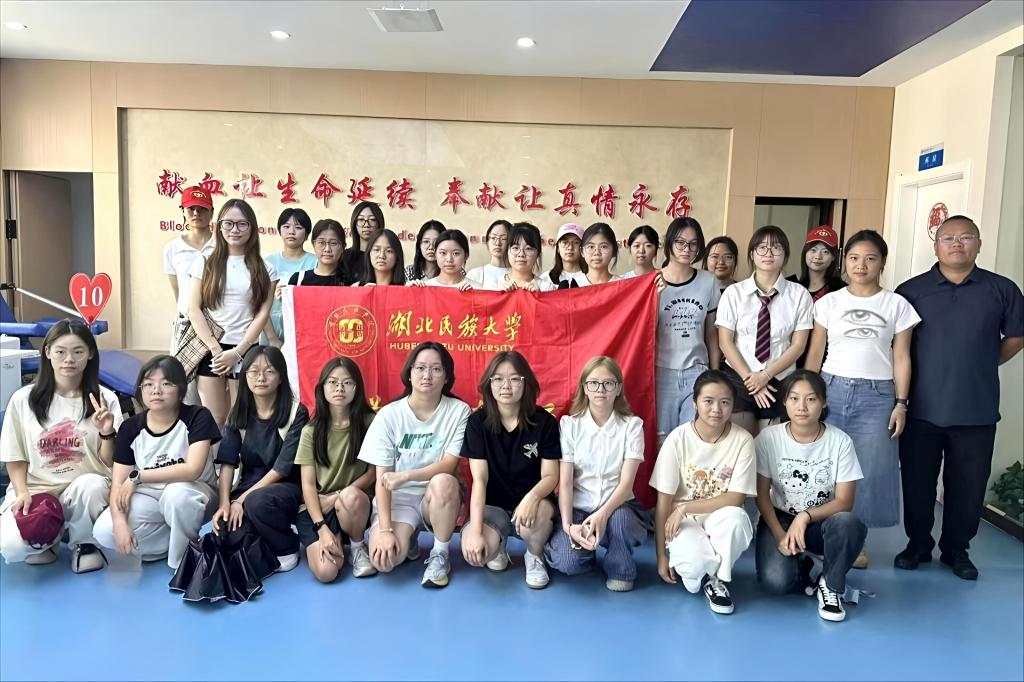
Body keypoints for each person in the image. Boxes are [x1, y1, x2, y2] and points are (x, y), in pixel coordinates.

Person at [893, 215, 1023, 580]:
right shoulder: (911, 291)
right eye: (948, 237)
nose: (956, 244)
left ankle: (956, 550)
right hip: (921, 407)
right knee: (917, 482)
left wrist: (984, 360)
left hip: (976, 408)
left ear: (979, 244)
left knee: (967, 486)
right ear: (935, 245)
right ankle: (918, 544)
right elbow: (898, 347)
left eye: (966, 237)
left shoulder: (1002, 289)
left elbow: (1016, 337)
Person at [805, 230, 919, 569]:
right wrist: (807, 395)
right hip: (831, 388)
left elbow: (902, 357)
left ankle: (856, 541)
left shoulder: (897, 305)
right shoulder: (828, 303)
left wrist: (901, 402)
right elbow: (815, 353)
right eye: (854, 258)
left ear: (882, 263)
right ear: (845, 262)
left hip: (877, 393)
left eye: (870, 258)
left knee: (868, 468)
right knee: (824, 463)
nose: (861, 265)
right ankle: (819, 534)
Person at [0, 320, 122, 572]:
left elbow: (111, 462)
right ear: (47, 352)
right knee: (11, 547)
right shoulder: (23, 399)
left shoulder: (105, 399)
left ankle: (84, 542)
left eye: (78, 351)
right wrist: (22, 492)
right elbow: (14, 454)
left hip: (84, 491)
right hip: (37, 490)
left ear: (90, 354)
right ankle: (50, 538)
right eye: (60, 351)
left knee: (92, 484)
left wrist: (107, 432)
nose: (69, 359)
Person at [754, 370, 866, 622]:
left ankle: (831, 585)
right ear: (785, 402)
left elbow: (845, 502)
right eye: (794, 398)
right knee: (776, 582)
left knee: (849, 524)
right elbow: (761, 495)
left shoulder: (840, 442)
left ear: (823, 402)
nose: (802, 407)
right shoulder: (768, 438)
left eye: (811, 399)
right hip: (780, 518)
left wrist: (804, 516)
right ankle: (808, 566)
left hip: (822, 520)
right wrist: (779, 533)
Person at [357, 342, 471, 588]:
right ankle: (405, 539)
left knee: (444, 481)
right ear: (409, 374)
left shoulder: (459, 411)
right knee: (384, 561)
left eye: (436, 369)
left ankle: (440, 554)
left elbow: (449, 464)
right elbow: (383, 480)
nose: (427, 375)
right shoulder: (388, 415)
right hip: (398, 499)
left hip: (436, 497)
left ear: (447, 377)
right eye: (420, 368)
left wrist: (406, 476)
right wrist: (385, 531)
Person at [93, 356, 221, 569]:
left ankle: (182, 561)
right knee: (105, 531)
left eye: (166, 384)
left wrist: (138, 477)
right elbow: (118, 484)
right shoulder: (130, 428)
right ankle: (178, 540)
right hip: (151, 495)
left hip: (195, 493)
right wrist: (120, 523)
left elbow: (193, 469)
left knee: (177, 496)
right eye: (148, 384)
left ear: (180, 388)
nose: (156, 391)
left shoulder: (197, 416)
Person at [652, 370, 755, 614]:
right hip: (683, 521)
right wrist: (661, 557)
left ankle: (717, 579)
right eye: (708, 401)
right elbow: (663, 502)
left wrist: (685, 507)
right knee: (692, 574)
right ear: (695, 403)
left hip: (720, 516)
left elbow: (735, 498)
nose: (716, 409)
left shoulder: (743, 440)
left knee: (737, 519)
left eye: (725, 402)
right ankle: (702, 567)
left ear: (733, 405)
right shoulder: (677, 439)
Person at [545, 356, 646, 592]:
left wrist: (602, 514)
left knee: (620, 521)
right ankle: (581, 552)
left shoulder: (632, 426)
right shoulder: (570, 425)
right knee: (568, 563)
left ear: (618, 388)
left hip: (618, 508)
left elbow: (626, 484)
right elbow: (565, 482)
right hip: (578, 510)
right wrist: (568, 525)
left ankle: (620, 567)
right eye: (593, 383)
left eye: (608, 383)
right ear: (584, 387)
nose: (600, 389)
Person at [460, 351, 560, 588]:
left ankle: (534, 555)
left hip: (533, 504)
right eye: (498, 379)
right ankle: (499, 545)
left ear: (526, 383)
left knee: (537, 517)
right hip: (493, 506)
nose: (506, 386)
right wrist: (475, 531)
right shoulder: (477, 422)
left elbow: (550, 475)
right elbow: (479, 481)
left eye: (515, 379)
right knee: (477, 552)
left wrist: (532, 497)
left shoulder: (544, 422)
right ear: (489, 383)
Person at [211, 346, 309, 572]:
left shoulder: (296, 412)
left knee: (258, 503)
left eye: (269, 371)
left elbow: (281, 469)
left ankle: (287, 547)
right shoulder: (238, 413)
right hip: (249, 485)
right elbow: (227, 463)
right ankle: (263, 540)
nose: (261, 378)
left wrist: (241, 500)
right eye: (253, 371)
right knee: (225, 533)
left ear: (281, 377)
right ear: (245, 376)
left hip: (285, 486)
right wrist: (225, 503)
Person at [187, 198, 277, 429]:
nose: (234, 230)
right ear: (218, 226)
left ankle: (238, 456)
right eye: (228, 223)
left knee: (241, 419)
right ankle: (211, 455)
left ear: (252, 228)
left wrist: (238, 352)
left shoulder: (265, 268)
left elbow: (262, 314)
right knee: (214, 418)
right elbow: (193, 309)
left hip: (245, 348)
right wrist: (216, 349)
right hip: (210, 348)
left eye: (242, 224)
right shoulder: (205, 262)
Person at [716, 226, 813, 436]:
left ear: (786, 255)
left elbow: (798, 345)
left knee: (772, 447)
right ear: (752, 254)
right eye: (762, 247)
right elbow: (725, 341)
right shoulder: (734, 293)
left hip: (779, 379)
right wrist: (753, 380)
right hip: (739, 377)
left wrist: (766, 376)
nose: (768, 253)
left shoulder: (799, 295)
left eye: (776, 247)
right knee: (740, 443)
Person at [294, 357, 377, 582]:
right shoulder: (311, 431)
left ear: (357, 388)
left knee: (351, 498)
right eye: (332, 382)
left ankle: (357, 547)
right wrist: (321, 527)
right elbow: (307, 485)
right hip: (318, 507)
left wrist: (338, 495)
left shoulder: (370, 423)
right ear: (322, 388)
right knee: (327, 572)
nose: (339, 388)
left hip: (353, 504)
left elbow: (373, 473)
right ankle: (332, 540)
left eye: (347, 382)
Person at [654, 216, 722, 439]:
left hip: (697, 370)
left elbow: (711, 333)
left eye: (693, 244)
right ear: (669, 243)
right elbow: (645, 334)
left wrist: (714, 374)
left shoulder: (708, 281)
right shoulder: (653, 281)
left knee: (692, 437)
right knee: (662, 439)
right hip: (661, 371)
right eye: (680, 242)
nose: (687, 249)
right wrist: (655, 299)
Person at [163, 186, 214, 405]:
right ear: (182, 211)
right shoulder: (172, 249)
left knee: (217, 388)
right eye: (191, 208)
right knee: (184, 388)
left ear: (211, 212)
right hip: (186, 324)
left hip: (218, 324)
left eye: (202, 209)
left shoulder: (222, 246)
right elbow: (177, 290)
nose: (196, 213)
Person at [264, 208, 317, 346]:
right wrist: (272, 339)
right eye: (286, 227)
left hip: (305, 336)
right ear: (279, 231)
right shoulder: (267, 262)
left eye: (298, 227)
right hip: (270, 335)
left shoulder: (316, 262)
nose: (291, 231)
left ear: (307, 234)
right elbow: (258, 304)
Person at [787, 226, 846, 303]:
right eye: (813, 250)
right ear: (805, 252)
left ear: (833, 257)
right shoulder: (793, 288)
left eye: (825, 252)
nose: (818, 256)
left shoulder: (841, 291)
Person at [409, 229, 481, 290]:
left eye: (456, 253)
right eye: (443, 253)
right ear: (435, 254)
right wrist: (413, 292)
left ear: (466, 255)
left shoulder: (477, 288)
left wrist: (474, 296)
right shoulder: (426, 287)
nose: (449, 259)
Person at [496, 222, 557, 292]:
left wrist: (539, 296)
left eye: (528, 248)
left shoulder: (547, 288)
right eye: (515, 248)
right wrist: (498, 295)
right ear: (507, 251)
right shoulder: (494, 285)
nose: (521, 254)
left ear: (538, 254)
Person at [288, 219, 348, 287]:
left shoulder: (351, 283)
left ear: (343, 247)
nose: (327, 249)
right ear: (314, 245)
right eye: (321, 242)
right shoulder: (298, 280)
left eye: (333, 243)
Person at [342, 201, 385, 284]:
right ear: (354, 224)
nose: (366, 225)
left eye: (372, 219)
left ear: (379, 223)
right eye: (361, 220)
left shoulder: (384, 256)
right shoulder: (345, 257)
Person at [541, 223, 588, 288]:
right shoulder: (546, 279)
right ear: (558, 248)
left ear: (583, 248)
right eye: (565, 242)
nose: (570, 247)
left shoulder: (591, 278)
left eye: (576, 242)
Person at [467, 219, 511, 288]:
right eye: (493, 238)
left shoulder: (519, 275)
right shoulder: (474, 275)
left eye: (503, 238)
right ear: (487, 242)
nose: (497, 243)